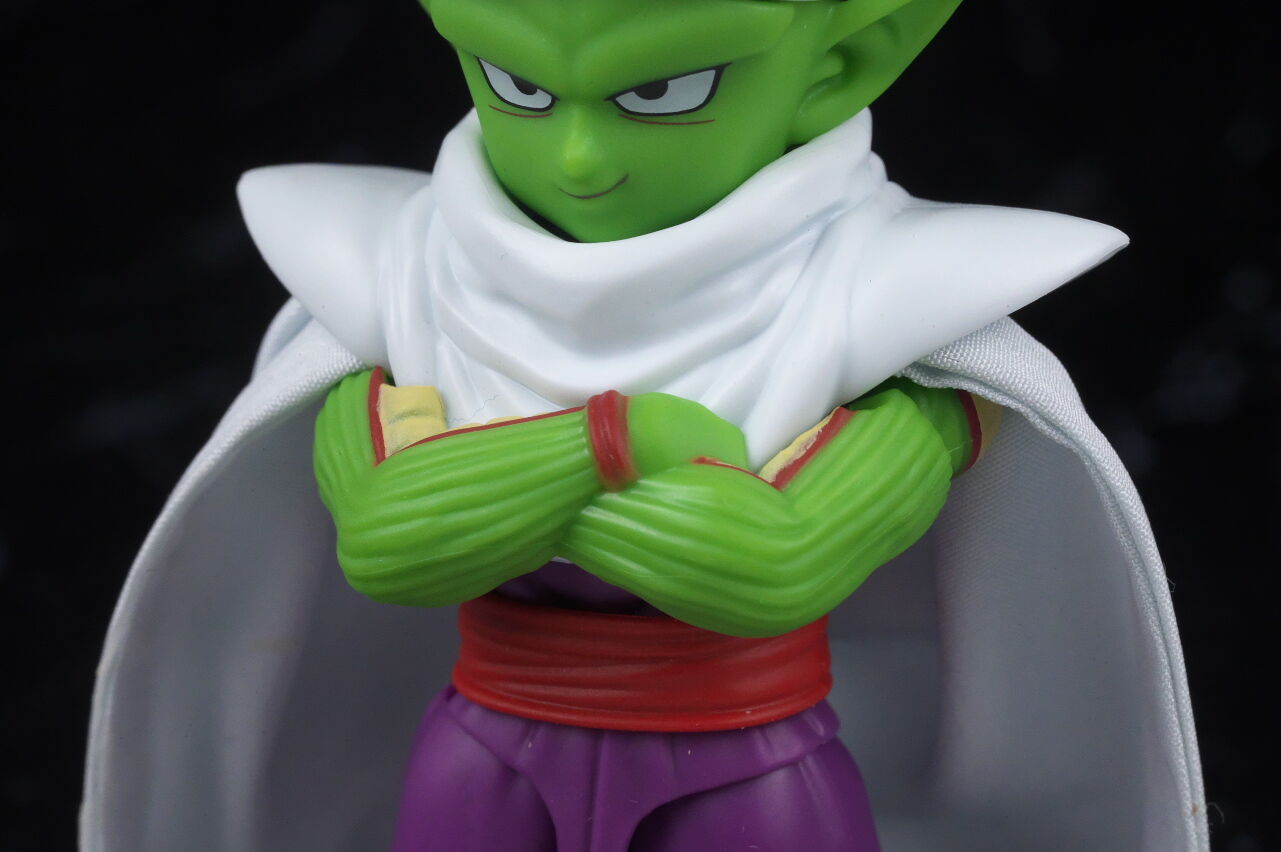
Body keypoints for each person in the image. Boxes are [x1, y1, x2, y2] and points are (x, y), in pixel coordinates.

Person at [82, 0, 1207, 849]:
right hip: (486, 750)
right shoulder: (395, 282)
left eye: (660, 90)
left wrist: (500, 489)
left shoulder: (892, 308)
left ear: (843, 61)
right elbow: (390, 542)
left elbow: (767, 563)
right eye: (518, 84)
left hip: (745, 761)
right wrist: (621, 440)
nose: (577, 156)